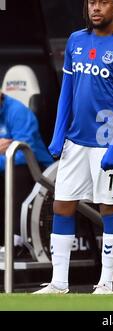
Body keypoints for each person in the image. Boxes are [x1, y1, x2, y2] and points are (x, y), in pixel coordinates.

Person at [33, 0, 113, 294]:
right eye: (92, 2)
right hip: (75, 143)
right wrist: (57, 135)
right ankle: (59, 283)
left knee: (110, 206)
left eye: (103, 2)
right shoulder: (75, 41)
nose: (96, 8)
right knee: (62, 205)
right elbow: (67, 91)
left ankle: (106, 284)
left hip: (109, 142)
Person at [0, 91, 53, 250]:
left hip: (38, 170)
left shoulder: (17, 112)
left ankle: (16, 240)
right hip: (7, 166)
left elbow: (23, 154)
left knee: (16, 172)